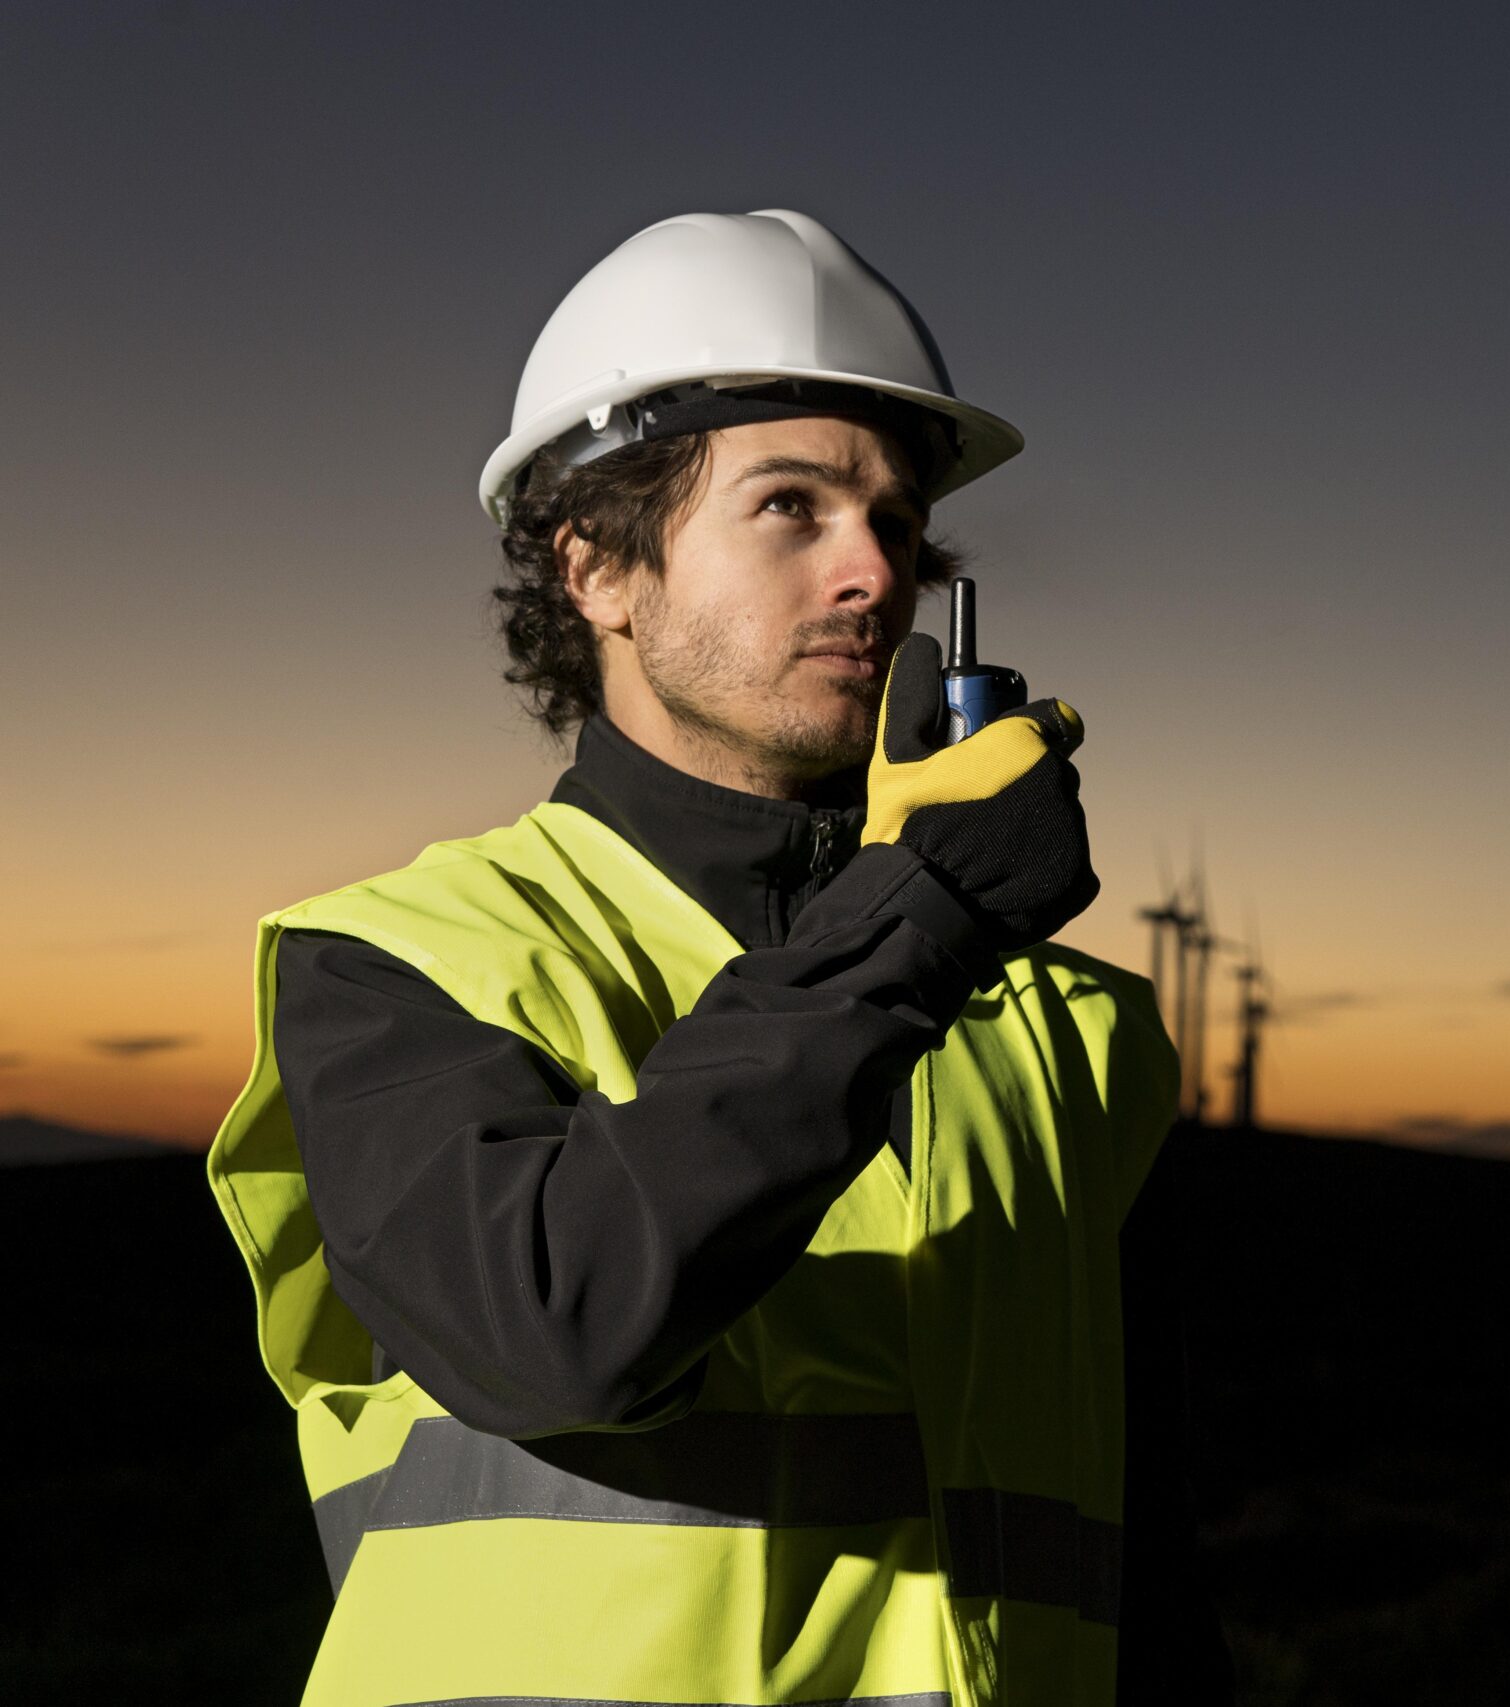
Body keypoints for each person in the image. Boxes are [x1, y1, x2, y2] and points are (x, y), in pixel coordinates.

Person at [206, 209, 1233, 1707]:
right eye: (791, 508)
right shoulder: (402, 966)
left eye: (895, 520)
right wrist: (922, 916)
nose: (870, 573)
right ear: (598, 569)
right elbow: (557, 1330)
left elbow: (1148, 1559)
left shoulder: (1074, 1031)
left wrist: (924, 923)